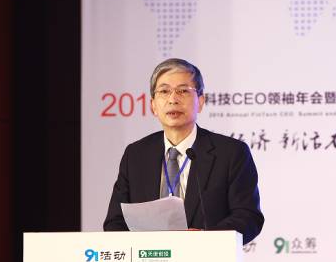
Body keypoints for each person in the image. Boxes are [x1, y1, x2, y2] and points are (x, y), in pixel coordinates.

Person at [103, 58, 264, 244]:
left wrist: (203, 239)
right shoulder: (136, 155)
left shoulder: (231, 153)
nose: (173, 99)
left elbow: (248, 217)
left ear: (200, 101)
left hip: (207, 259)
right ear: (153, 105)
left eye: (183, 91)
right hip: (150, 260)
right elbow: (115, 222)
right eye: (164, 91)